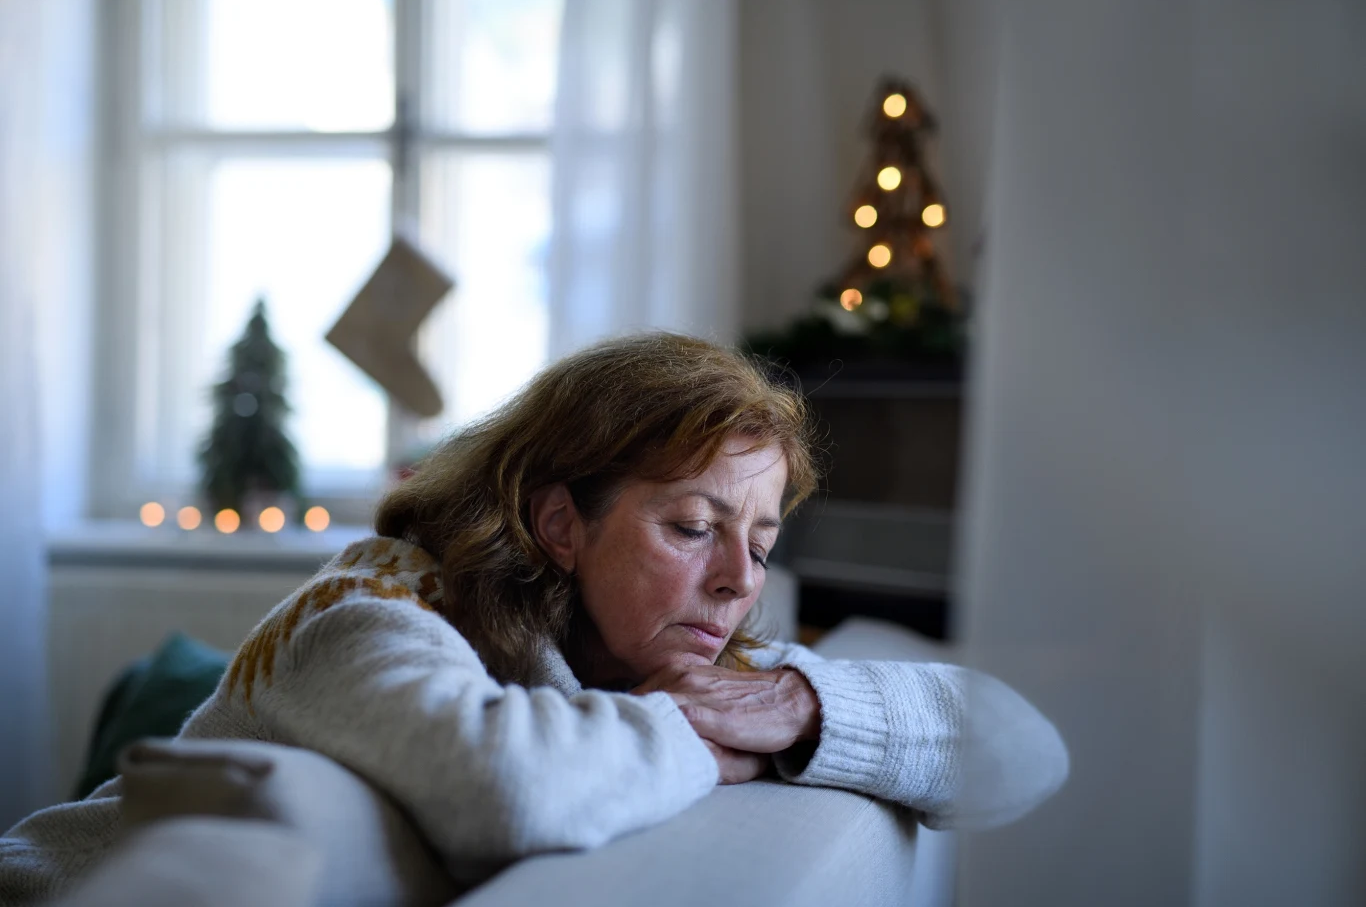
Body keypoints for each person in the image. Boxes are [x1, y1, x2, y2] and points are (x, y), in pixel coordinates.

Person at [0, 333, 1068, 903]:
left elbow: (1027, 751)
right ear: (560, 521)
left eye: (761, 541)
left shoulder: (667, 650)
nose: (741, 579)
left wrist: (796, 704)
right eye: (694, 527)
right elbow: (504, 786)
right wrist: (708, 736)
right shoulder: (367, 608)